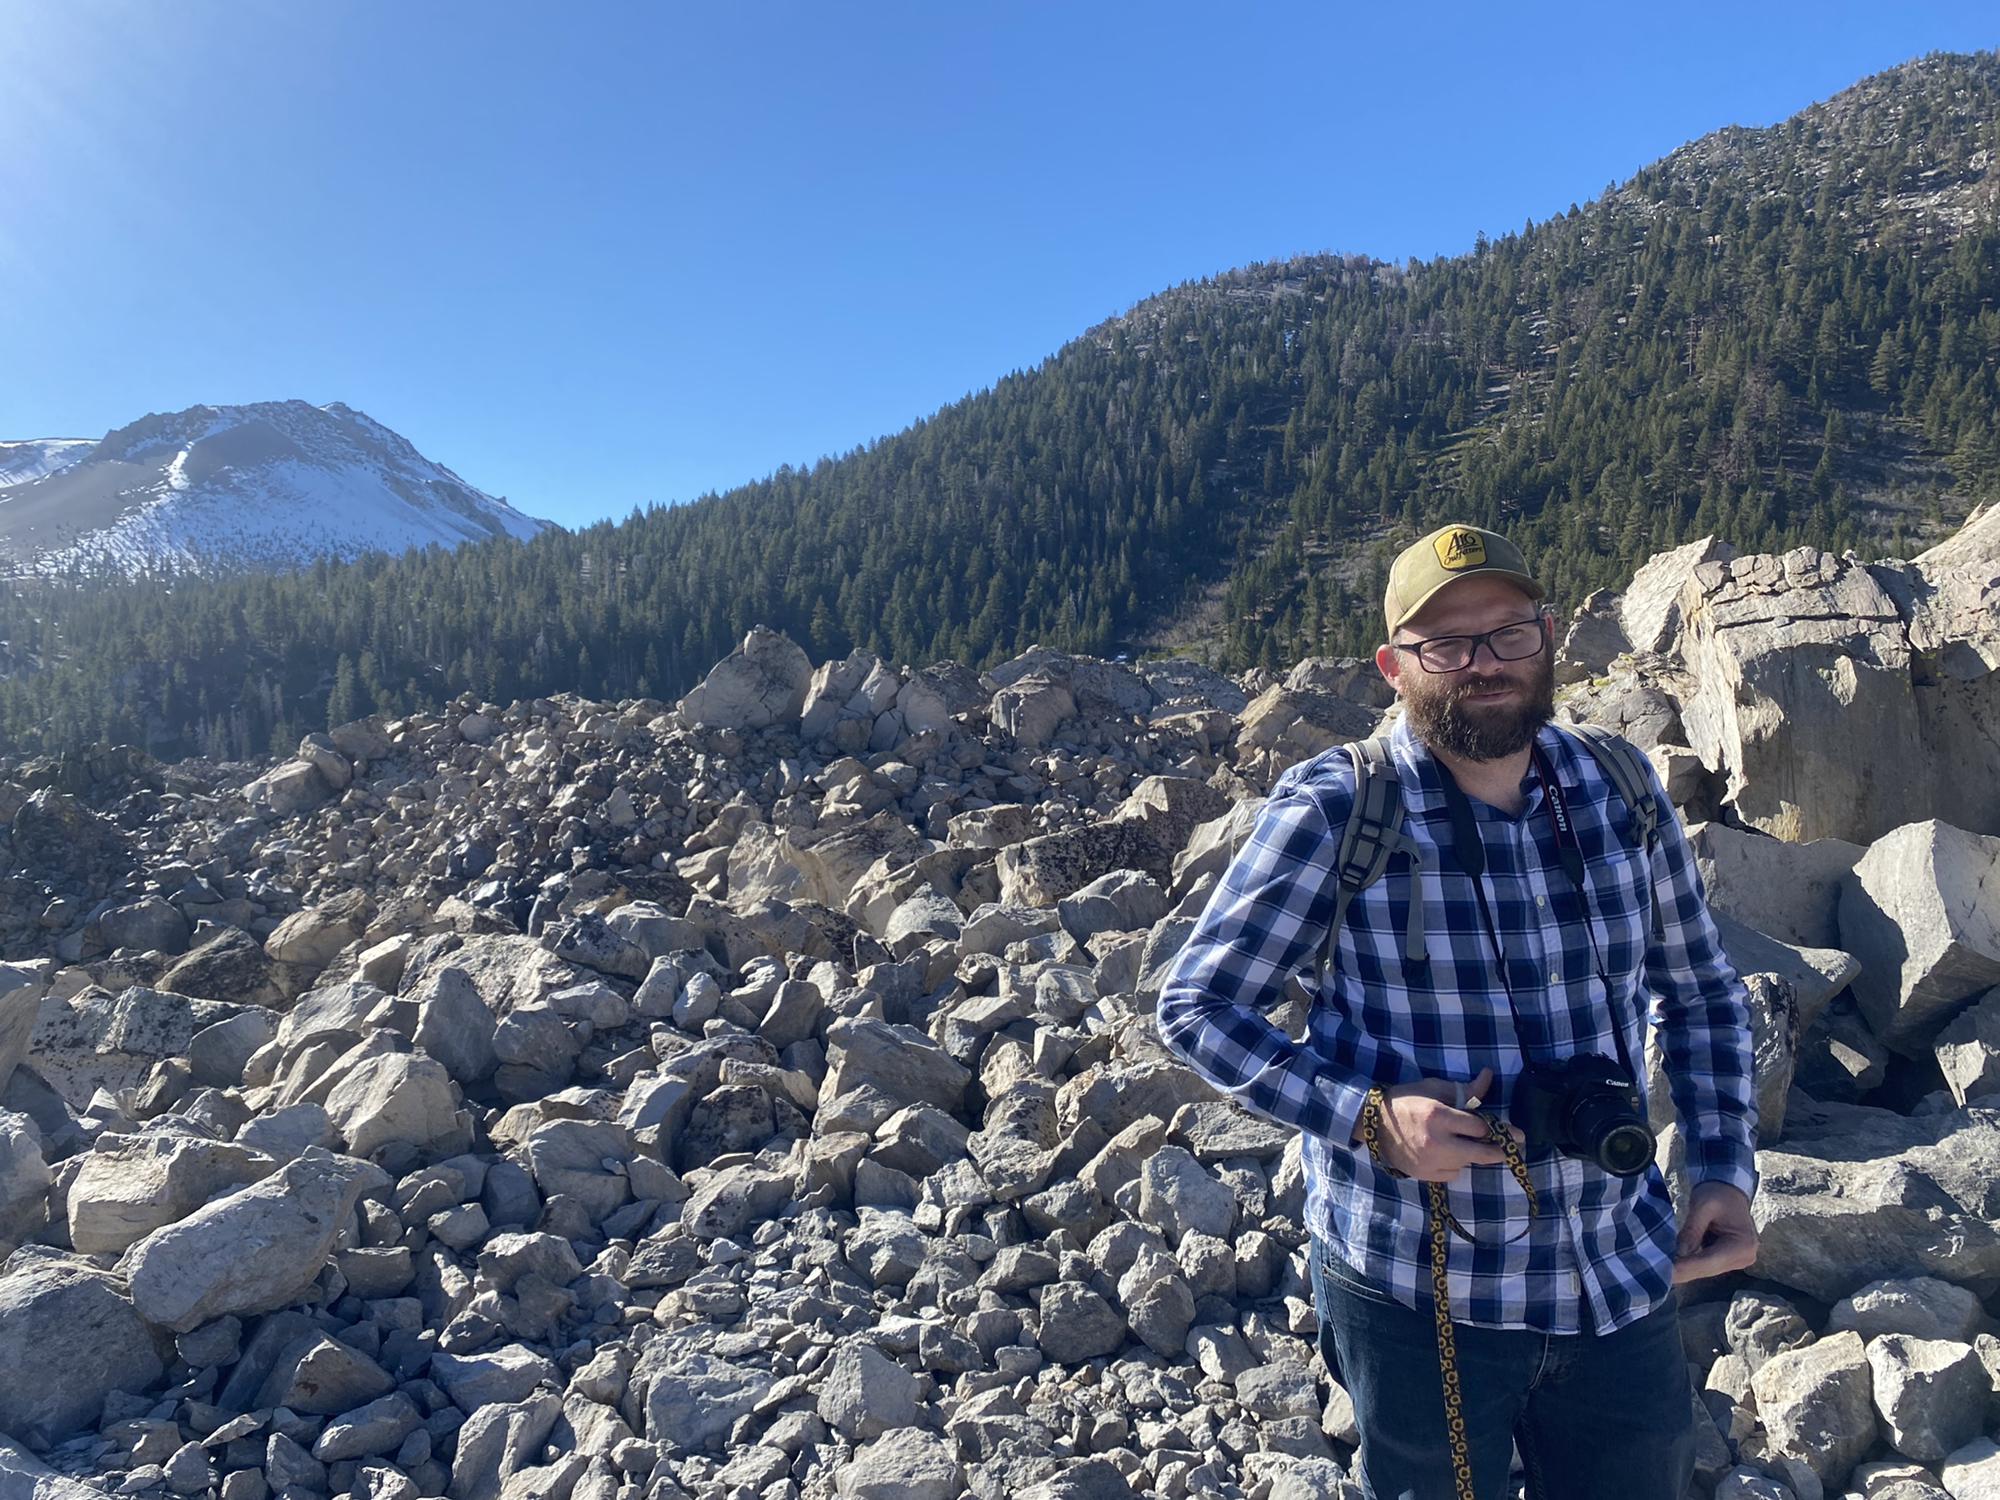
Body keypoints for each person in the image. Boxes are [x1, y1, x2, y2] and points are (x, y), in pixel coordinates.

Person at [1157, 523, 1757, 1500]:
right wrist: (1368, 1118)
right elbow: (1195, 1005)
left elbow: (1696, 994)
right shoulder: (1339, 808)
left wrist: (1721, 1172)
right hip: (1418, 1289)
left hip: (1618, 1271)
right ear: (1393, 667)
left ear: (1549, 636)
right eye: (1447, 645)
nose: (1484, 663)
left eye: (1507, 633)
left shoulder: (1616, 788)